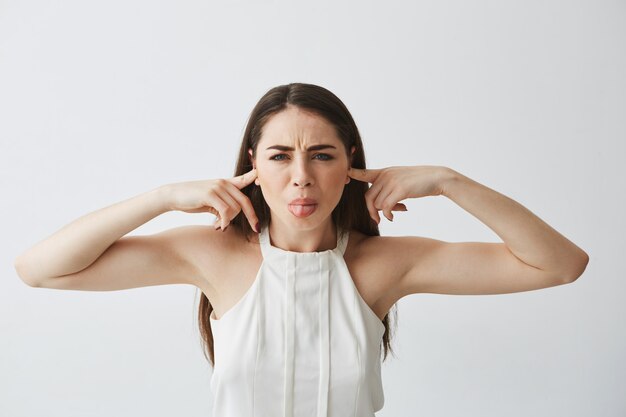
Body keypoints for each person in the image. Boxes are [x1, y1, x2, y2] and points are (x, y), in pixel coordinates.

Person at [14, 82, 589, 417]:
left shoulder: (383, 265)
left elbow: (561, 265)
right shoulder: (212, 255)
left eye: (321, 154)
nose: (301, 178)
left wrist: (449, 181)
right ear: (253, 170)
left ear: (350, 166)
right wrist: (163, 197)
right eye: (279, 156)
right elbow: (38, 270)